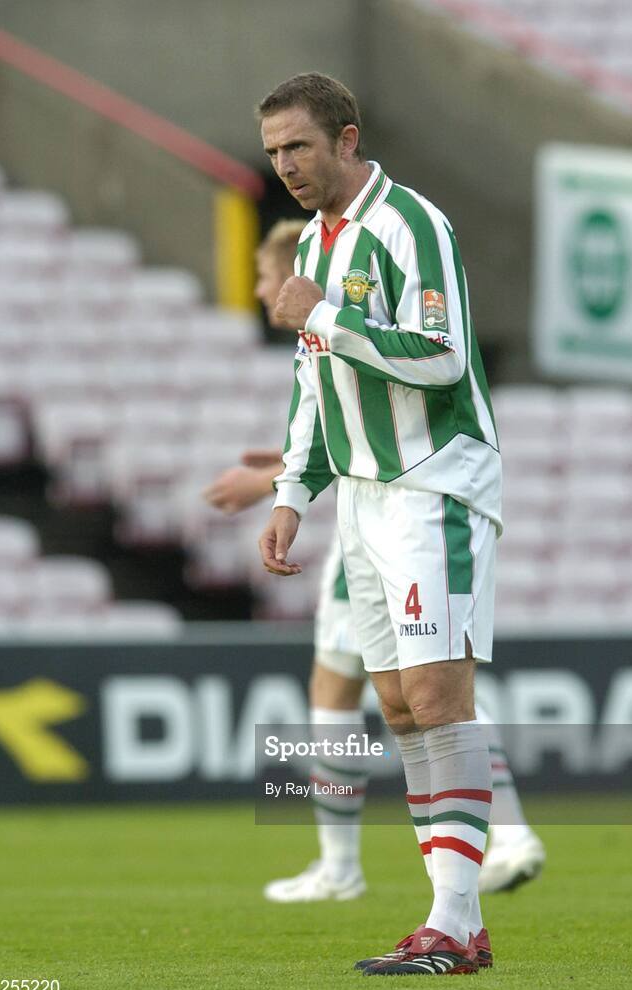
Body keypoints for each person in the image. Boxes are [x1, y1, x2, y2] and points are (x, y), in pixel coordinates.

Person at [205, 220, 544, 906]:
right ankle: (495, 841)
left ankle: (352, 864)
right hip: (367, 521)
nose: (263, 290)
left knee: (369, 695)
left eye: (266, 276)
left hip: (394, 516)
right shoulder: (320, 346)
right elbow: (348, 426)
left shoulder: (363, 282)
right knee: (417, 702)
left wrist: (277, 487)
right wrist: (281, 476)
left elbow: (411, 390)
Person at [256, 71, 503, 976]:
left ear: (347, 140)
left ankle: (456, 924)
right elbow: (315, 389)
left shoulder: (410, 225)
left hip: (431, 481)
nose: (285, 165)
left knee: (437, 698)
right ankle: (452, 921)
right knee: (398, 706)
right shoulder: (317, 247)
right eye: (274, 151)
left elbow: (440, 359)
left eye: (300, 147)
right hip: (362, 496)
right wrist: (292, 491)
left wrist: (325, 313)